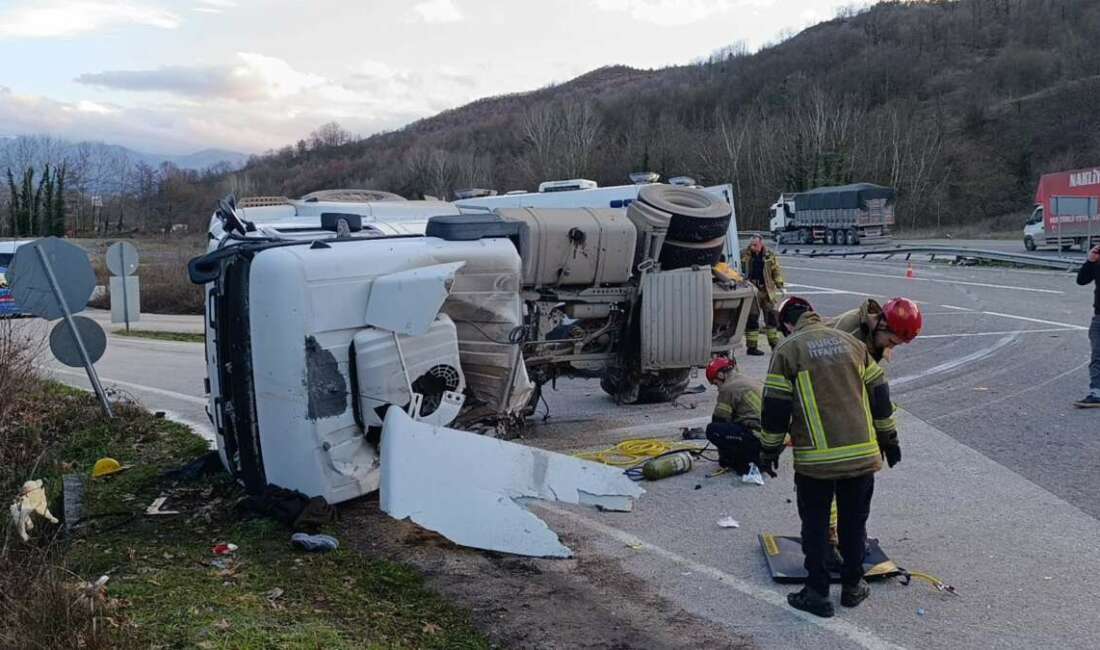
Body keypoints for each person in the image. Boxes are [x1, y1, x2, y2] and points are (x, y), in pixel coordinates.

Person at [758, 296, 901, 618]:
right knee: (854, 524)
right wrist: (889, 440)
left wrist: (768, 450)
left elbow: (775, 408)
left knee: (816, 526)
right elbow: (880, 396)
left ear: (786, 325)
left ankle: (817, 593)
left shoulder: (788, 350)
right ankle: (853, 587)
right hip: (862, 456)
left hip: (816, 462)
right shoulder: (852, 344)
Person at [704, 356, 763, 474]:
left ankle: (743, 462)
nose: (717, 388)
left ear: (721, 375)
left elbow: (719, 419)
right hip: (775, 440)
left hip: (757, 438)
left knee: (713, 430)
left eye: (716, 384)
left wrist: (724, 457)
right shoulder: (747, 379)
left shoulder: (728, 388)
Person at [828, 297, 923, 363]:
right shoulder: (849, 336)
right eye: (891, 342)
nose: (890, 347)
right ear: (883, 325)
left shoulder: (873, 335)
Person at [740, 235, 785, 356]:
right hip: (753, 290)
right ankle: (752, 347)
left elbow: (776, 270)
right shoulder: (744, 254)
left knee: (771, 318)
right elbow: (739, 270)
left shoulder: (769, 255)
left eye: (755, 245)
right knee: (752, 317)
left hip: (767, 290)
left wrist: (780, 285)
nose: (753, 247)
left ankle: (774, 345)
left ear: (761, 244)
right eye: (751, 245)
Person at [1076, 245, 1100, 408]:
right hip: (1099, 315)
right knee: (1097, 357)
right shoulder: (1097, 260)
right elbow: (1082, 280)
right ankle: (1096, 393)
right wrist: (1090, 261)